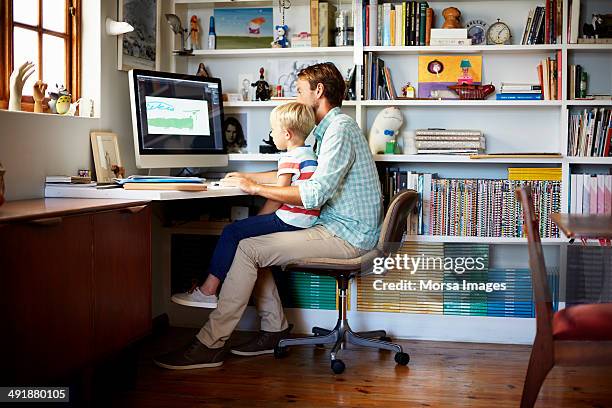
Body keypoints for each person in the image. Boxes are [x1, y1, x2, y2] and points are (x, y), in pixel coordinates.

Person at [154, 62, 382, 369]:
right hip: (336, 227)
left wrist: (253, 188)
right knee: (253, 239)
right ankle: (274, 330)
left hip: (347, 235)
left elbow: (312, 194)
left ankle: (209, 344)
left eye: (300, 91)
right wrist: (245, 177)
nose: (296, 97)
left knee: (248, 248)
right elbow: (289, 173)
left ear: (319, 91)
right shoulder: (323, 130)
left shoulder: (338, 131)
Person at [170, 102, 318, 310]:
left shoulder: (289, 157)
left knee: (232, 231)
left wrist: (256, 220)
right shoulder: (308, 155)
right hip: (306, 219)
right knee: (242, 231)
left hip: (291, 219)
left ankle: (207, 291)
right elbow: (283, 180)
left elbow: (278, 195)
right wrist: (247, 178)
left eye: (273, 130)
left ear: (286, 134)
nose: (272, 135)